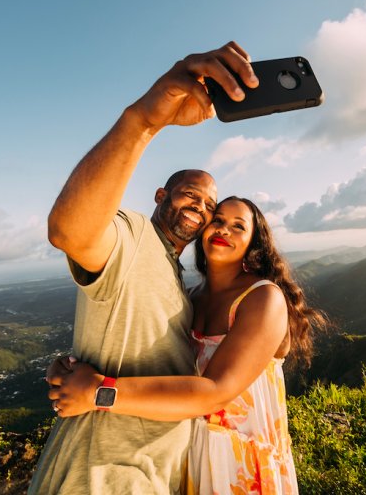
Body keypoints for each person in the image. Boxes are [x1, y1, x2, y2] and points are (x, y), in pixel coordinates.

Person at [28, 42, 260, 494]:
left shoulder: (182, 281)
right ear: (160, 197)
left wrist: (72, 367)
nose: (201, 207)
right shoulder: (134, 236)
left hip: (152, 472)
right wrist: (143, 122)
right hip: (102, 473)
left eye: (210, 205)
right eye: (191, 194)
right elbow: (70, 231)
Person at [47, 195, 327, 494]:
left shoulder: (263, 297)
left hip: (243, 464)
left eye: (238, 226)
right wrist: (71, 367)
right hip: (185, 456)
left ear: (252, 243)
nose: (223, 230)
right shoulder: (188, 299)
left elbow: (215, 393)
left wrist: (97, 392)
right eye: (217, 221)